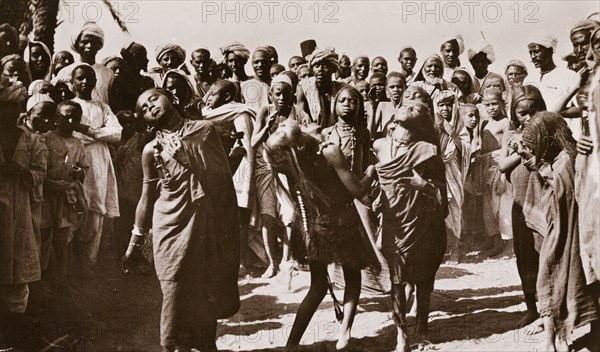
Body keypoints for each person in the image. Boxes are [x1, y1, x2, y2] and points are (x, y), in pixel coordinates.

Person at [123, 88, 240, 352]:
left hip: (204, 226)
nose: (149, 106)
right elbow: (146, 197)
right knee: (173, 292)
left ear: (173, 99)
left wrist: (187, 158)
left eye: (154, 98)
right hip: (168, 227)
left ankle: (206, 347)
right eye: (143, 108)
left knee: (204, 295)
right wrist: (135, 241)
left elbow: (222, 183)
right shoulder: (150, 150)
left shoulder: (205, 130)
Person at [264, 119, 376, 351]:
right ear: (296, 142)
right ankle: (344, 332)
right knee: (352, 278)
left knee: (317, 287)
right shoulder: (329, 151)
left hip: (314, 226)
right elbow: (358, 190)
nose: (283, 124)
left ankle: (292, 343)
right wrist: (370, 173)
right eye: (282, 131)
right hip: (341, 223)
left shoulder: (297, 161)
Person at [520, 111, 599, 352]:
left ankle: (558, 337)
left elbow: (565, 196)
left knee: (556, 278)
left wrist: (541, 170)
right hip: (559, 231)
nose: (533, 150)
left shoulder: (566, 160)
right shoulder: (556, 159)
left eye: (535, 145)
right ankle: (553, 338)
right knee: (551, 278)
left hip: (569, 233)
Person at [372, 100, 447, 352]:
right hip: (394, 220)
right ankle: (401, 334)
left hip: (423, 223)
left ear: (422, 121)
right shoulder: (380, 145)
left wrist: (422, 185)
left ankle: (423, 327)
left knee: (424, 278)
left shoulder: (428, 150)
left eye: (415, 108)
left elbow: (442, 197)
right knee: (397, 279)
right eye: (406, 103)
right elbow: (374, 180)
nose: (408, 106)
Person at [496, 85, 546, 333]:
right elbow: (503, 165)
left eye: (532, 111)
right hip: (518, 200)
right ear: (514, 113)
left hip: (542, 201)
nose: (527, 117)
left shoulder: (547, 129)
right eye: (521, 112)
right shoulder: (511, 133)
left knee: (544, 252)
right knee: (524, 254)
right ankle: (531, 308)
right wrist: (523, 149)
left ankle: (548, 310)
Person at [0, 83, 46, 349]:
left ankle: (15, 324)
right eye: (5, 107)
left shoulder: (29, 140)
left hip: (20, 209)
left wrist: (22, 173)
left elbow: (41, 170)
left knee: (18, 265)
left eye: (15, 107)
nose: (10, 112)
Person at [251, 75, 309, 279]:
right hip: (266, 168)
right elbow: (253, 141)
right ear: (270, 95)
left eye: (286, 93)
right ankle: (272, 263)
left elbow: (307, 140)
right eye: (278, 93)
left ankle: (286, 259)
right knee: (267, 217)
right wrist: (268, 126)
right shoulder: (265, 111)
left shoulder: (298, 113)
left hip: (290, 171)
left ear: (292, 95)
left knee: (290, 216)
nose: (282, 97)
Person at [69, 64, 121, 276]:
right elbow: (68, 129)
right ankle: (71, 264)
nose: (84, 82)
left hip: (99, 157)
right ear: (72, 82)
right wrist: (96, 133)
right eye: (79, 78)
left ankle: (89, 264)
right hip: (75, 155)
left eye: (89, 78)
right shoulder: (69, 106)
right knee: (74, 205)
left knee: (96, 208)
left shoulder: (102, 107)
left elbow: (116, 133)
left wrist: (87, 130)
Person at [41, 100, 88, 294]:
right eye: (65, 116)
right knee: (44, 236)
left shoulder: (78, 143)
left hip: (66, 196)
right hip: (46, 195)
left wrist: (79, 172)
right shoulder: (45, 139)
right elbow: (39, 166)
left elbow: (84, 168)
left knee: (62, 239)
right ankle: (42, 280)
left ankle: (62, 280)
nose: (70, 120)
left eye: (75, 118)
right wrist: (50, 183)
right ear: (56, 119)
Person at [436, 91, 471, 263]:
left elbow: (466, 147)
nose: (445, 108)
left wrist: (451, 132)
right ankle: (443, 248)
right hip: (438, 171)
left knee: (455, 208)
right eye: (441, 105)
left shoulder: (459, 126)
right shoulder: (433, 124)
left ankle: (456, 247)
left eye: (448, 105)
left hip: (453, 172)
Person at [524, 33, 581, 136]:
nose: (533, 57)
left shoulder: (569, 76)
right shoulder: (529, 79)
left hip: (562, 135)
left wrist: (558, 114)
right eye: (530, 53)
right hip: (536, 136)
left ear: (550, 50)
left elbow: (580, 108)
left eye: (537, 51)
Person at [478, 88, 512, 256]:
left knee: (502, 207)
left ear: (501, 103)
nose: (491, 108)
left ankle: (508, 247)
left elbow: (506, 147)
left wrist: (503, 175)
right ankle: (496, 241)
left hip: (500, 166)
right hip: (486, 168)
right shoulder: (485, 123)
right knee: (488, 207)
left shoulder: (506, 122)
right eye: (488, 105)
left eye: (494, 104)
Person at [54, 22, 113, 105]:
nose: (89, 45)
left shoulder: (108, 74)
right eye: (84, 42)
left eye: (94, 42)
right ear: (77, 44)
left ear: (99, 45)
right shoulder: (65, 72)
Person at [297, 47, 347, 128]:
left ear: (333, 69)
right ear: (312, 68)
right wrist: (304, 117)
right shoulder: (303, 86)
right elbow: (300, 110)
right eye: (316, 66)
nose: (320, 69)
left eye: (325, 66)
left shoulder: (342, 88)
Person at [369, 71, 406, 140]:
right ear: (386, 90)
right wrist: (373, 107)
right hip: (386, 147)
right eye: (392, 87)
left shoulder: (410, 107)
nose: (396, 90)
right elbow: (370, 135)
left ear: (405, 88)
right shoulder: (382, 106)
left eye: (399, 86)